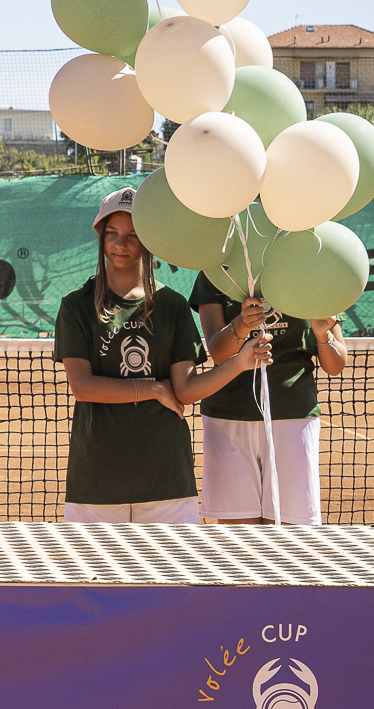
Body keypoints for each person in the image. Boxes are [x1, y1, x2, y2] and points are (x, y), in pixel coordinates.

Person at [53, 189, 271, 523]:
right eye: (111, 233)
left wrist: (240, 363)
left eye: (132, 235)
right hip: (96, 480)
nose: (120, 244)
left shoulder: (172, 306)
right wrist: (153, 389)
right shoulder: (76, 305)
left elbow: (185, 390)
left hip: (167, 480)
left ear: (149, 242)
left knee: (172, 562)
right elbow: (83, 386)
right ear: (100, 237)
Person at [189, 272, 348, 525]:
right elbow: (218, 353)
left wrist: (322, 335)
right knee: (239, 541)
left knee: (291, 539)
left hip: (294, 420)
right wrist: (241, 324)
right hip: (228, 421)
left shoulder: (314, 267)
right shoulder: (216, 269)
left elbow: (336, 365)